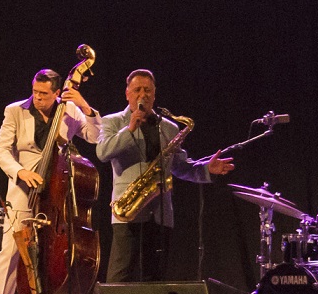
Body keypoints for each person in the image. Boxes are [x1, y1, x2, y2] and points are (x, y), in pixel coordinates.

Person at [0, 70, 100, 294]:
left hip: (57, 191)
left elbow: (96, 137)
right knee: (10, 253)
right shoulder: (15, 111)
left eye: (44, 94)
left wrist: (85, 106)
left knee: (58, 253)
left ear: (57, 93)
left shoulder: (70, 110)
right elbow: (0, 150)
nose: (37, 97)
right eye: (35, 91)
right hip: (23, 192)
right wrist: (20, 172)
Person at [96, 69, 234, 282]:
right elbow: (102, 152)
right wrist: (130, 129)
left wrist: (207, 169)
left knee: (155, 281)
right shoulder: (112, 122)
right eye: (137, 90)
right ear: (127, 93)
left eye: (147, 90)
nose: (143, 95)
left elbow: (180, 167)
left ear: (154, 94)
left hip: (159, 213)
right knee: (119, 279)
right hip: (128, 211)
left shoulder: (169, 127)